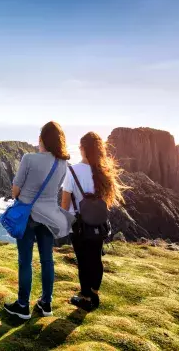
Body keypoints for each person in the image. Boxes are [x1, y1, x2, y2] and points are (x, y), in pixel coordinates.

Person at [3, 121, 74, 320]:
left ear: (41, 139)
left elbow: (15, 191)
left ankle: (23, 305)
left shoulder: (29, 158)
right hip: (49, 216)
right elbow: (56, 190)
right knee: (47, 260)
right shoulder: (63, 163)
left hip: (28, 216)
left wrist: (23, 195)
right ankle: (46, 303)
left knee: (25, 261)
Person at [61, 132, 124, 311]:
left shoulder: (72, 171)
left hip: (78, 225)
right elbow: (106, 201)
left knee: (83, 261)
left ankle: (85, 297)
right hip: (98, 224)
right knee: (96, 259)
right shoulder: (103, 172)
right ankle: (94, 293)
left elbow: (64, 204)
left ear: (82, 149)